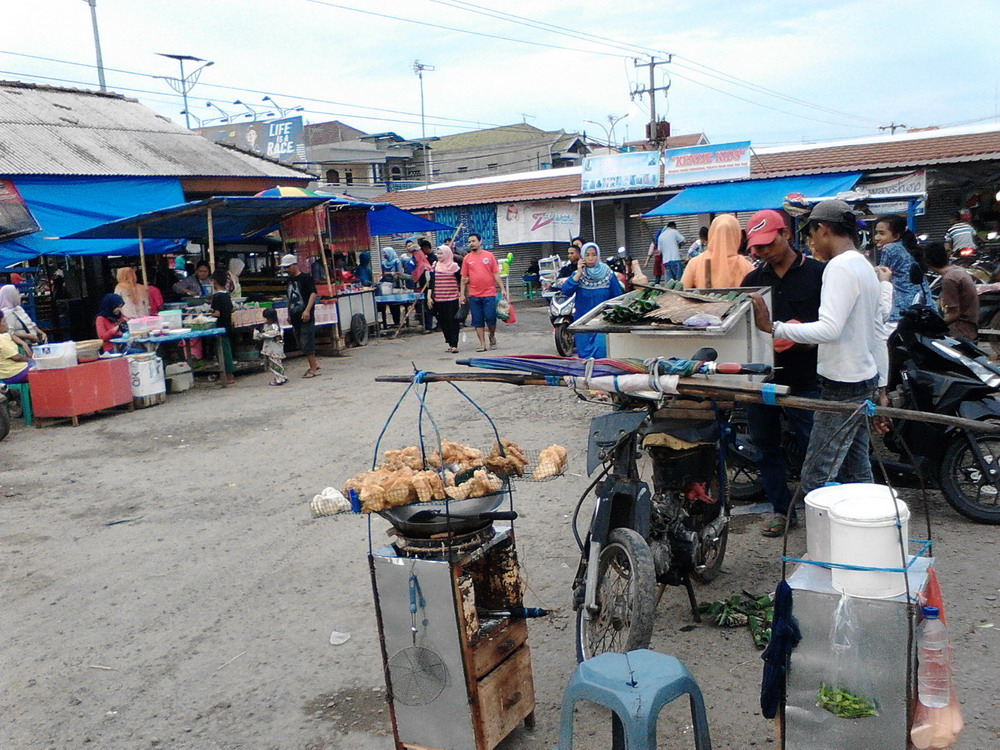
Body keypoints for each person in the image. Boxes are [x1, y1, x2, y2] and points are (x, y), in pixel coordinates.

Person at [751, 200, 888, 495]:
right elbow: (877, 331)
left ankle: (827, 538)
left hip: (841, 384)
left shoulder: (838, 267)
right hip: (863, 378)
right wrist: (883, 385)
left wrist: (775, 327)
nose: (811, 242)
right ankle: (869, 530)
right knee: (857, 467)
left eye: (812, 235)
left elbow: (829, 329)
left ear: (823, 229)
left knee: (816, 476)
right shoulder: (863, 265)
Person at [740, 210, 825, 537]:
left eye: (767, 243)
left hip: (806, 377)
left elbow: (832, 327)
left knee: (814, 446)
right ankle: (780, 509)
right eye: (756, 247)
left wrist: (801, 338)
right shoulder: (752, 282)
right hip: (761, 377)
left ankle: (824, 510)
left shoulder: (818, 274)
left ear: (786, 234)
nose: (762, 252)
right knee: (765, 445)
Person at [559, 242, 624, 359]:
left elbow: (617, 297)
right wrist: (579, 273)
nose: (590, 258)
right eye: (587, 255)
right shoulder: (578, 274)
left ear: (598, 255)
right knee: (584, 357)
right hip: (583, 322)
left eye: (593, 255)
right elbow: (566, 291)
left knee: (601, 353)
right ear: (582, 257)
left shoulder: (608, 274)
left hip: (602, 323)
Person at [874, 214, 931, 326]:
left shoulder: (890, 248)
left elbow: (882, 274)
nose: (876, 237)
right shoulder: (906, 246)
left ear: (896, 236)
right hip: (922, 305)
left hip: (901, 310)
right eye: (876, 233)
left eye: (881, 233)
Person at [459, 233, 506, 352]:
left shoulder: (489, 256)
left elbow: (495, 273)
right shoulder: (467, 259)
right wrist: (462, 294)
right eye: (469, 242)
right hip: (474, 295)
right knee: (477, 320)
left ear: (480, 242)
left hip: (489, 294)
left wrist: (503, 288)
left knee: (491, 318)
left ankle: (492, 335)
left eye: (473, 241)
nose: (471, 243)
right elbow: (464, 278)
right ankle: (482, 344)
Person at [681, 214, 755, 290]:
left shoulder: (695, 263)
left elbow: (681, 292)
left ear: (712, 233)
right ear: (737, 235)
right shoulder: (746, 266)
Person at [924, 242, 980, 340]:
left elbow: (954, 314)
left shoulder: (949, 279)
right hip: (970, 325)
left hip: (961, 330)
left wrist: (933, 326)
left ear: (927, 261)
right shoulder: (956, 270)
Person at [281, 253, 320, 378]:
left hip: (305, 314)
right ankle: (315, 363)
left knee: (306, 341)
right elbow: (289, 298)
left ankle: (313, 368)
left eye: (288, 267)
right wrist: (289, 313)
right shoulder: (289, 280)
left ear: (294, 265)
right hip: (295, 315)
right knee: (300, 341)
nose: (286, 269)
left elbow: (313, 294)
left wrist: (307, 310)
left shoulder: (305, 278)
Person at [426, 244, 462, 353]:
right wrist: (429, 297)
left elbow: (460, 282)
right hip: (439, 299)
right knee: (443, 322)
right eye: (438, 253)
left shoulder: (454, 267)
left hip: (452, 298)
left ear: (447, 254)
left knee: (453, 321)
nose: (439, 255)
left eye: (441, 253)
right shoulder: (435, 266)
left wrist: (462, 295)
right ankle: (450, 343)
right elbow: (431, 283)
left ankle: (455, 344)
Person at [210, 269, 237, 386]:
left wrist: (208, 314)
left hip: (221, 327)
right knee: (227, 350)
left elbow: (217, 313)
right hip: (228, 325)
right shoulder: (227, 295)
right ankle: (228, 375)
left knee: (224, 352)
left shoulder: (217, 297)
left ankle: (228, 376)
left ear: (214, 282)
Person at [254, 307, 287, 386]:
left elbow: (268, 335)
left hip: (274, 349)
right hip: (273, 348)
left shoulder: (274, 327)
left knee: (274, 365)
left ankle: (279, 379)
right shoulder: (270, 325)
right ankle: (282, 377)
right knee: (277, 364)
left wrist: (257, 334)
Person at [0, 315, 32, 385]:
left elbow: (10, 335)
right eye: (4, 321)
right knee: (46, 370)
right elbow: (16, 357)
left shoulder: (4, 335)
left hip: (10, 372)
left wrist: (23, 343)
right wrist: (31, 360)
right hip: (14, 373)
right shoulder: (1, 339)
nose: (6, 324)